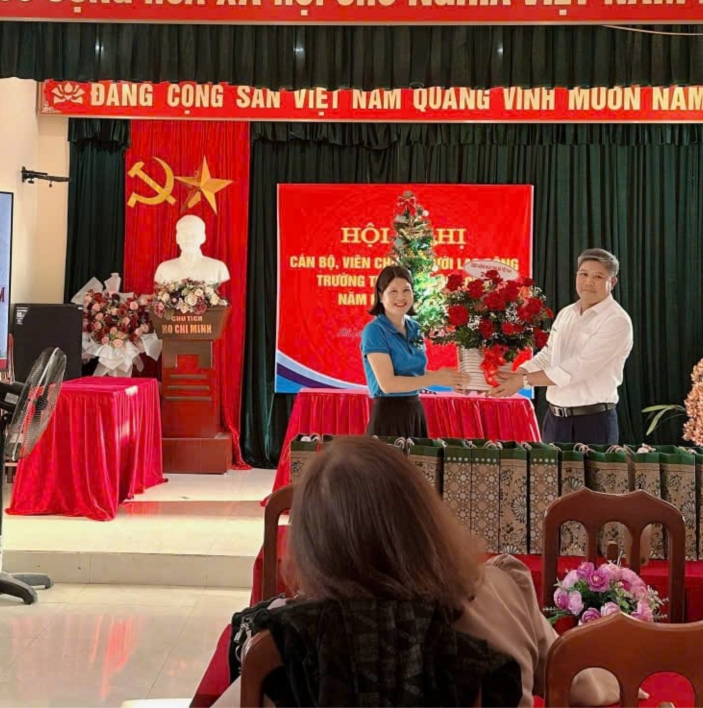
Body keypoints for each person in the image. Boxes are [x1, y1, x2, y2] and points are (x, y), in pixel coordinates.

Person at [213, 438, 622, 708]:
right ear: (424, 516)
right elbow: (583, 686)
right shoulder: (503, 591)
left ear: (313, 546)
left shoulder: (296, 643)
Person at [488, 248, 633, 446]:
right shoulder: (567, 313)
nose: (588, 282)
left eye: (598, 277)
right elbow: (549, 355)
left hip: (593, 422)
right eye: (583, 274)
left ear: (612, 282)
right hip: (554, 421)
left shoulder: (616, 321)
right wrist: (519, 374)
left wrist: (523, 381)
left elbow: (578, 367)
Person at [361, 265, 465, 437]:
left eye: (406, 290)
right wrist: (436, 378)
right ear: (380, 296)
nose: (401, 297)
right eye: (393, 291)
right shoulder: (374, 331)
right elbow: (388, 384)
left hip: (414, 410)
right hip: (388, 415)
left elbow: (415, 373)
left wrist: (450, 380)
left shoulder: (415, 328)